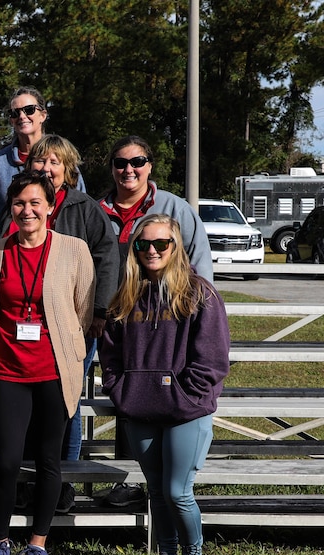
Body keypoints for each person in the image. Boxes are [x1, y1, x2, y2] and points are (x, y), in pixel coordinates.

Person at [100, 214, 229, 555]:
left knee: (178, 491)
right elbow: (111, 354)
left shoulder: (199, 294)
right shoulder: (126, 295)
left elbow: (213, 359)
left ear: (176, 248)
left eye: (161, 244)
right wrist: (120, 387)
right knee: (155, 489)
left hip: (184, 411)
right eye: (143, 245)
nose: (152, 251)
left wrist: (184, 393)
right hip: (138, 408)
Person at [0, 171, 94, 555]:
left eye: (35, 203)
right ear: (11, 207)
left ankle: (38, 545)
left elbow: (81, 309)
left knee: (49, 460)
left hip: (54, 372)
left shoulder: (74, 250)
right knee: (7, 461)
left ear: (50, 207)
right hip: (8, 371)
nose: (27, 210)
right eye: (20, 203)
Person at [98, 135, 214, 507]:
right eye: (120, 163)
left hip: (169, 327)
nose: (128, 170)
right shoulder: (97, 210)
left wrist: (195, 315)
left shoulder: (175, 209)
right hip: (115, 325)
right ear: (111, 167)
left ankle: (168, 484)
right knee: (127, 402)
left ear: (150, 166)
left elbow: (202, 273)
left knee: (162, 402)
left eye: (137, 161)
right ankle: (123, 481)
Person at [24, 135, 119, 507]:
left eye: (54, 163)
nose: (46, 169)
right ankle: (31, 482)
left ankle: (64, 482)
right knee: (29, 404)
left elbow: (108, 258)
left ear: (68, 168)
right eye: (40, 162)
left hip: (75, 322)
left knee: (67, 402)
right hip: (28, 324)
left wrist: (99, 311)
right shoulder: (21, 202)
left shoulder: (84, 208)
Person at [0, 87, 86, 227]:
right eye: (15, 113)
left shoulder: (63, 158)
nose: (22, 116)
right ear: (11, 120)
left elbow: (81, 204)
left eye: (29, 110)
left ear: (43, 115)